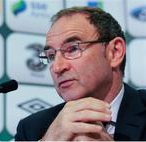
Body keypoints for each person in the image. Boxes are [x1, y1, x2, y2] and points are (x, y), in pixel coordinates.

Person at [15, 6, 146, 141]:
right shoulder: (32, 129)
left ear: (114, 52)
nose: (57, 67)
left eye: (72, 49)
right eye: (51, 56)